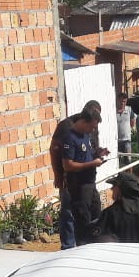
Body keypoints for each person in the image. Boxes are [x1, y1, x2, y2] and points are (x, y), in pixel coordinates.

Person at [50, 101, 104, 249]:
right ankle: (69, 247)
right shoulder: (67, 129)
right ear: (86, 115)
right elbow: (55, 151)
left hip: (88, 181)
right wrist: (58, 176)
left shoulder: (87, 132)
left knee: (93, 212)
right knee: (70, 213)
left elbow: (88, 150)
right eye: (92, 126)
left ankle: (92, 243)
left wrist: (97, 153)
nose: (94, 129)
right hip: (73, 181)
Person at [95, 173, 139, 244]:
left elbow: (98, 237)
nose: (112, 189)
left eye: (114, 186)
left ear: (121, 189)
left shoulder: (110, 213)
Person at [115, 93, 134, 159]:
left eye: (124, 101)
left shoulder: (129, 110)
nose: (122, 103)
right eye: (121, 101)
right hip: (116, 140)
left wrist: (127, 131)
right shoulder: (113, 110)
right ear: (117, 100)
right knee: (118, 160)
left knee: (128, 160)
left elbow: (132, 123)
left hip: (126, 140)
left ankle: (130, 170)